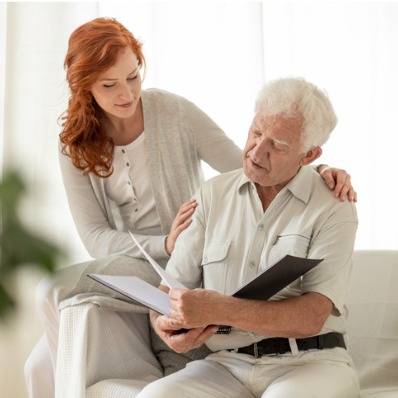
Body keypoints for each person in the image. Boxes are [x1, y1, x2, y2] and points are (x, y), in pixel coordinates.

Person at [23, 17, 356, 398]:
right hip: (143, 259)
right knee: (45, 319)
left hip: (189, 259)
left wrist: (317, 172)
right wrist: (165, 245)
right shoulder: (74, 143)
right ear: (84, 87)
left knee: (44, 345)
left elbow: (247, 166)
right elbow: (95, 237)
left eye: (133, 76)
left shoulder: (175, 112)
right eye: (110, 85)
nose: (127, 93)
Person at [138, 77, 359, 398]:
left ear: (309, 154)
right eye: (256, 132)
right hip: (226, 364)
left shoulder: (333, 205)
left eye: (278, 145)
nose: (257, 150)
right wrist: (164, 325)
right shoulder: (212, 194)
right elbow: (168, 288)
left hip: (311, 361)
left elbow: (312, 316)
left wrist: (220, 308)